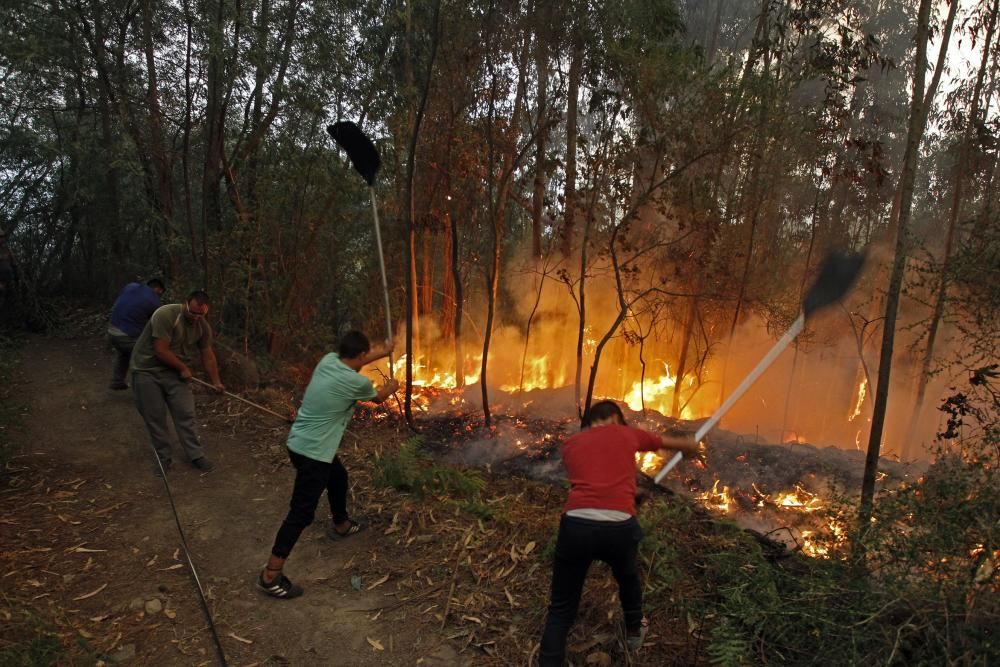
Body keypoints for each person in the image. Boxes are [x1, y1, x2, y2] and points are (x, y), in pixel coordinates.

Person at [538, 400, 700, 665]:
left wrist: (630, 494)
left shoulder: (571, 444)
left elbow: (592, 485)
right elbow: (668, 443)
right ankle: (635, 629)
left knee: (561, 609)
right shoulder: (624, 433)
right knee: (627, 576)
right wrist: (691, 446)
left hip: (576, 524)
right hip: (619, 527)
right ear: (614, 418)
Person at [257, 330, 398, 599]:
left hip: (299, 442)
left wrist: (385, 350)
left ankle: (341, 524)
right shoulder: (355, 382)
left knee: (338, 477)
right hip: (314, 452)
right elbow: (379, 397)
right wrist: (391, 388)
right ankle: (270, 575)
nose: (367, 359)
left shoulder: (329, 360)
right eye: (366, 356)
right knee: (301, 513)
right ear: (359, 356)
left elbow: (358, 360)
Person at [130, 290, 225, 474]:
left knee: (185, 413)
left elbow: (208, 356)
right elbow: (160, 350)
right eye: (193, 312)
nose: (196, 317)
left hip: (174, 373)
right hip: (147, 370)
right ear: (186, 304)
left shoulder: (202, 327)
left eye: (201, 314)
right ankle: (164, 459)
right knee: (155, 417)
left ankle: (195, 455)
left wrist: (216, 382)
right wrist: (183, 368)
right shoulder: (166, 314)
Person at [107, 278, 165, 390]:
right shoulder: (155, 301)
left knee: (124, 351)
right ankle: (143, 389)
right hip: (126, 335)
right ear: (158, 290)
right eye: (160, 293)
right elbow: (155, 325)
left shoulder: (131, 286)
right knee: (144, 356)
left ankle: (117, 381)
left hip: (111, 330)